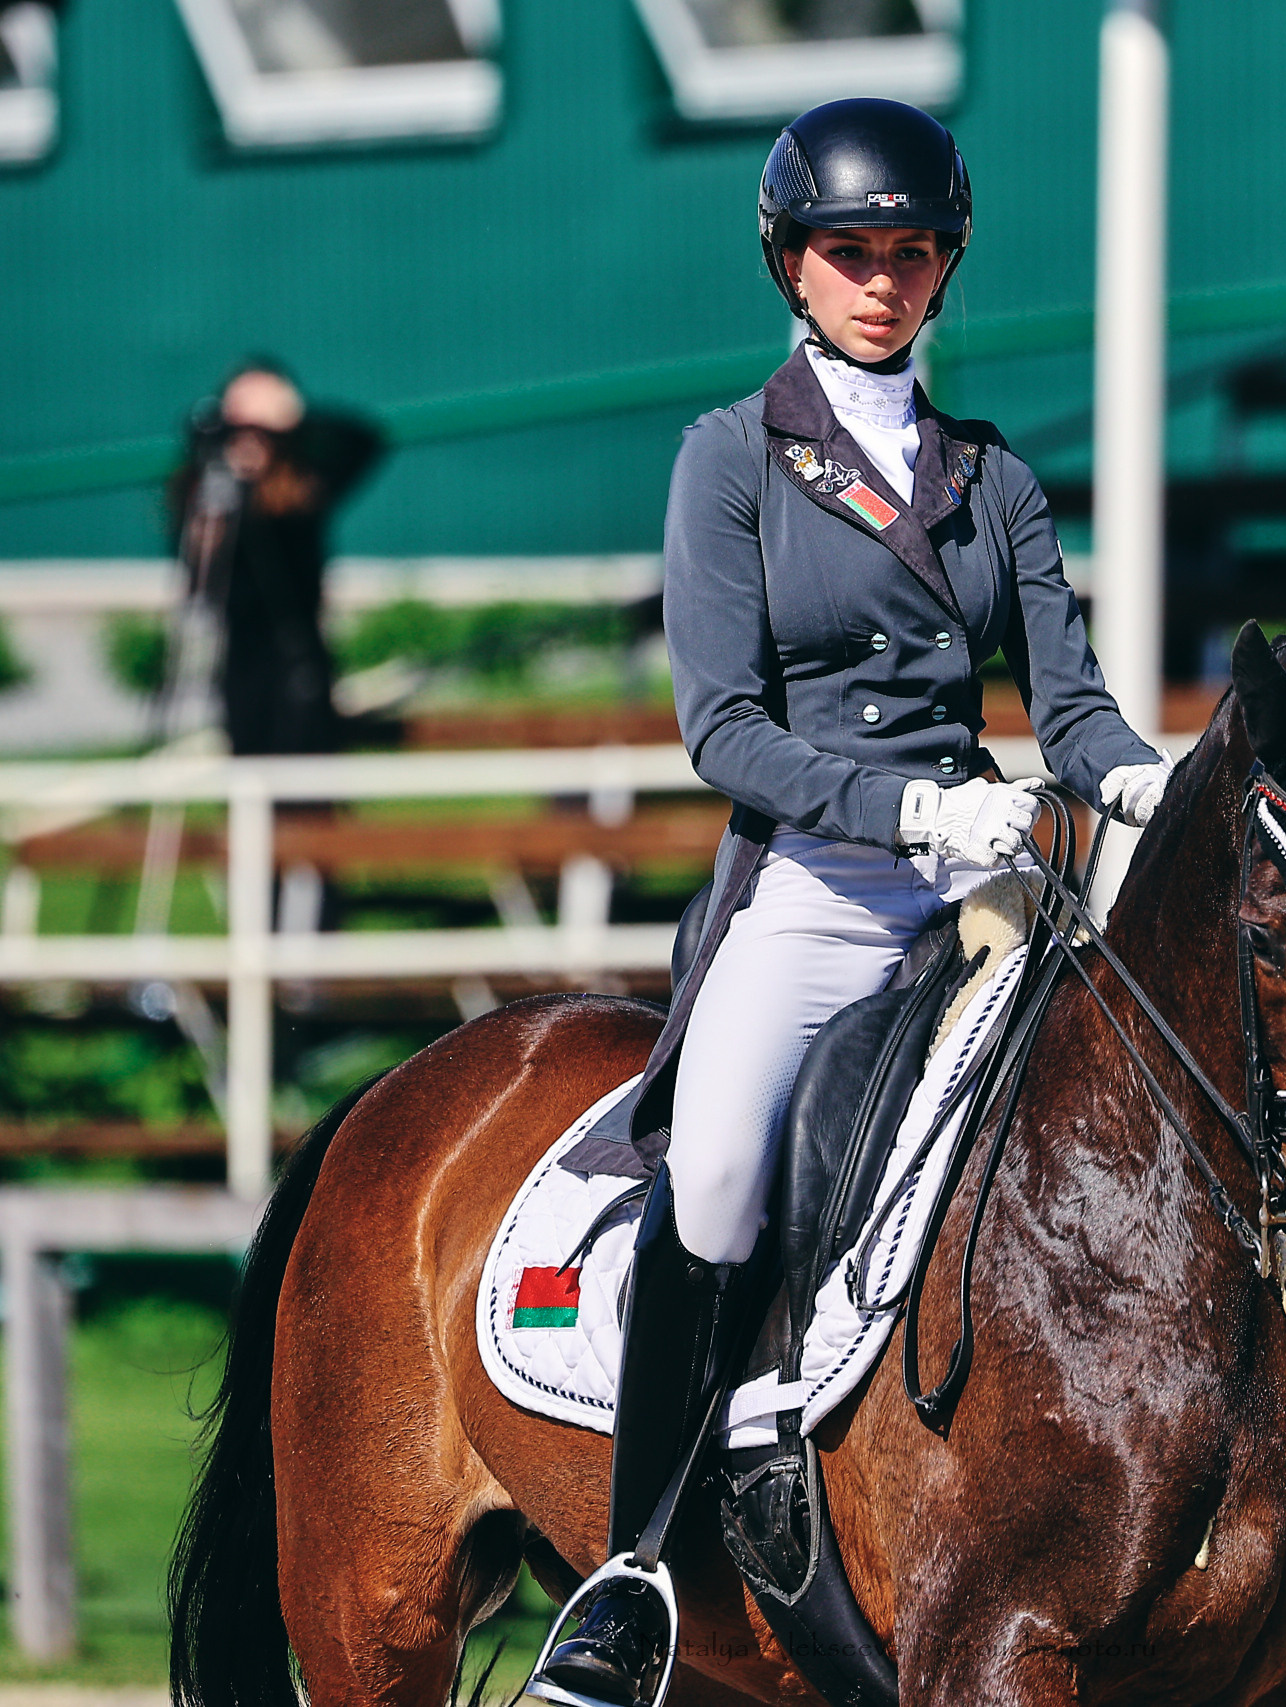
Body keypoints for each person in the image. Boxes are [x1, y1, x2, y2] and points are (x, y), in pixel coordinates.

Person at [525, 100, 1170, 1707]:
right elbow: (722, 725)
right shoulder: (730, 460)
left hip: (985, 898)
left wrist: (1155, 777)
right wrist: (907, 801)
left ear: (943, 266)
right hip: (817, 884)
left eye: (909, 252)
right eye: (848, 252)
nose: (880, 280)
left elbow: (1069, 708)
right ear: (791, 264)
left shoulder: (994, 477)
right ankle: (633, 1565)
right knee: (727, 1164)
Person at [164, 361, 385, 757]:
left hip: (299, 650)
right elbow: (194, 562)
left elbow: (364, 439)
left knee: (308, 763)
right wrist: (224, 457)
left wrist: (283, 422)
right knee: (250, 762)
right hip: (240, 653)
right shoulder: (210, 488)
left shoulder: (302, 487)